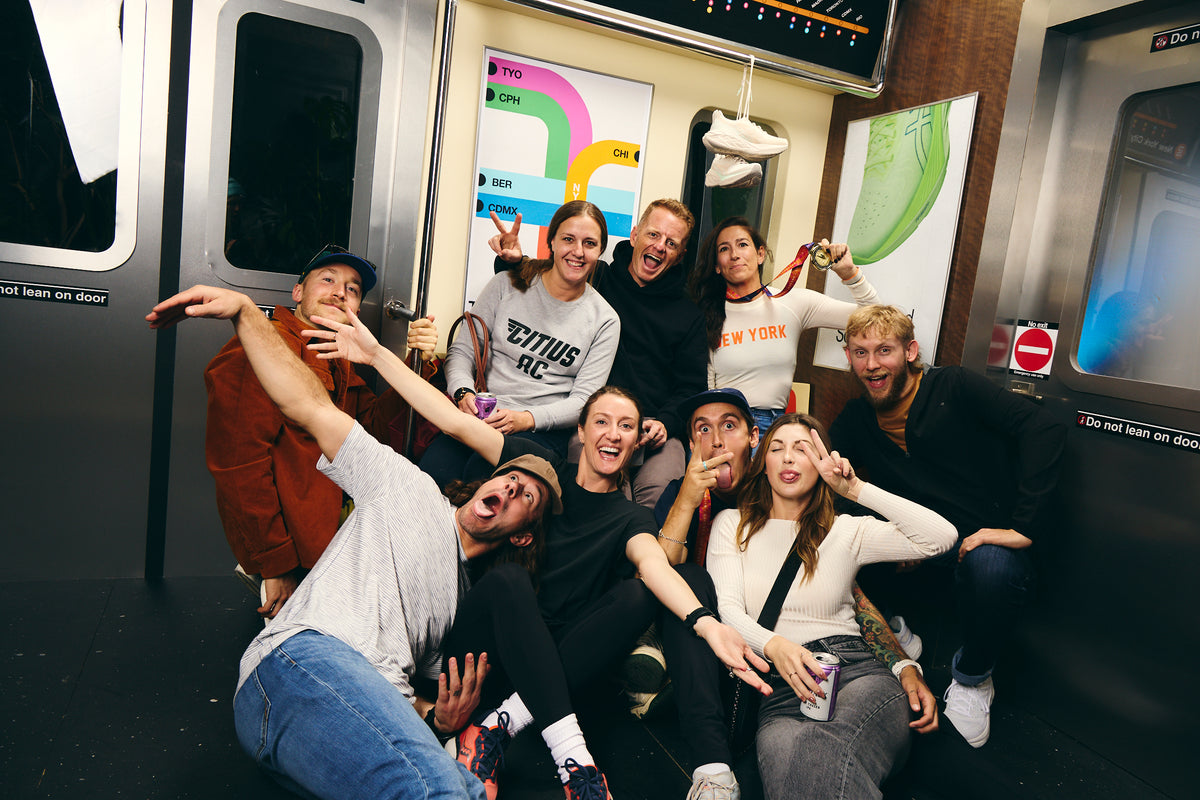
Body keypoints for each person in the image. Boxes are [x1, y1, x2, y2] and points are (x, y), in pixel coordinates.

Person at [297, 310, 772, 800]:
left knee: (640, 593)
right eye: (602, 421)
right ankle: (567, 758)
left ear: (636, 442)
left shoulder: (631, 518)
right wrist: (377, 354)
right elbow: (455, 422)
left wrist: (706, 623)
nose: (612, 433)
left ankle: (495, 729)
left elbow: (654, 567)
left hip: (562, 668)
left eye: (626, 426)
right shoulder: (540, 472)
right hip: (489, 651)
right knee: (509, 581)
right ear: (581, 431)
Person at [147, 285, 558, 800]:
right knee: (440, 791)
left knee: (463, 790)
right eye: (510, 477)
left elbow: (390, 691)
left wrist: (435, 716)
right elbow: (309, 406)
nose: (512, 487)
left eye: (526, 496)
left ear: (521, 533)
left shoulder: (461, 600)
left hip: (328, 716)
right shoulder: (407, 487)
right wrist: (248, 314)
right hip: (302, 660)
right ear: (485, 483)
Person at [639, 388, 937, 800]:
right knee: (790, 764)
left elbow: (930, 545)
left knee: (817, 751)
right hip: (765, 677)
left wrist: (902, 664)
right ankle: (709, 758)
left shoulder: (840, 525)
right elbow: (672, 578)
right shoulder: (722, 516)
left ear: (753, 440)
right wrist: (689, 497)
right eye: (703, 429)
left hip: (846, 666)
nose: (717, 441)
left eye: (729, 426)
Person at [831, 304, 1067, 748]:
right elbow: (825, 472)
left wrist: (1023, 526)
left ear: (910, 351)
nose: (872, 364)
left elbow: (1044, 429)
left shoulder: (952, 386)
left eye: (884, 350)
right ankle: (893, 630)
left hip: (979, 547)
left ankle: (974, 679)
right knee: (836, 527)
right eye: (860, 353)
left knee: (993, 566)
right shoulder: (857, 418)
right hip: (920, 548)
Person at [707, 414, 957, 800]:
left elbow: (941, 538)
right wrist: (775, 646)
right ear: (763, 465)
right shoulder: (732, 524)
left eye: (802, 449)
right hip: (780, 691)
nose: (788, 458)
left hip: (855, 674)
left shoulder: (847, 530)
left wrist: (855, 489)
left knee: (816, 752)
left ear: (821, 462)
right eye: (777, 448)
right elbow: (728, 611)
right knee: (788, 771)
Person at [204, 244, 438, 618]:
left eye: (353, 289)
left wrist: (416, 365)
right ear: (298, 292)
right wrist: (274, 563)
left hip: (330, 544)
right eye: (327, 279)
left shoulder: (337, 357)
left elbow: (373, 433)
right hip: (292, 553)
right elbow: (239, 465)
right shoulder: (264, 348)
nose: (340, 292)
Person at [491, 199, 707, 510]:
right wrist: (511, 262)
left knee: (660, 499)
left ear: (680, 255)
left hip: (653, 426)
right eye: (653, 235)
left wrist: (666, 423)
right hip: (595, 418)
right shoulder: (595, 277)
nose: (660, 247)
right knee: (598, 498)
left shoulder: (689, 315)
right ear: (634, 235)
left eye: (671, 243)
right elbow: (543, 281)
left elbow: (691, 388)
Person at [422, 201, 619, 485]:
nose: (578, 251)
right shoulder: (505, 284)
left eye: (589, 243)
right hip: (479, 416)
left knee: (483, 477)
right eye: (568, 239)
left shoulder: (605, 320)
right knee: (432, 473)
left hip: (540, 433)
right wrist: (463, 393)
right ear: (552, 242)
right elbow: (463, 351)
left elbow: (583, 402)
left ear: (600, 251)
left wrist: (526, 418)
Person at [689, 217, 879, 436]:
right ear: (717, 266)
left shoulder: (793, 303)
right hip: (724, 426)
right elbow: (705, 389)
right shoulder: (706, 315)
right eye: (724, 249)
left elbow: (876, 318)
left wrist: (849, 273)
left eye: (742, 244)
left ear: (760, 254)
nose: (734, 254)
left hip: (774, 430)